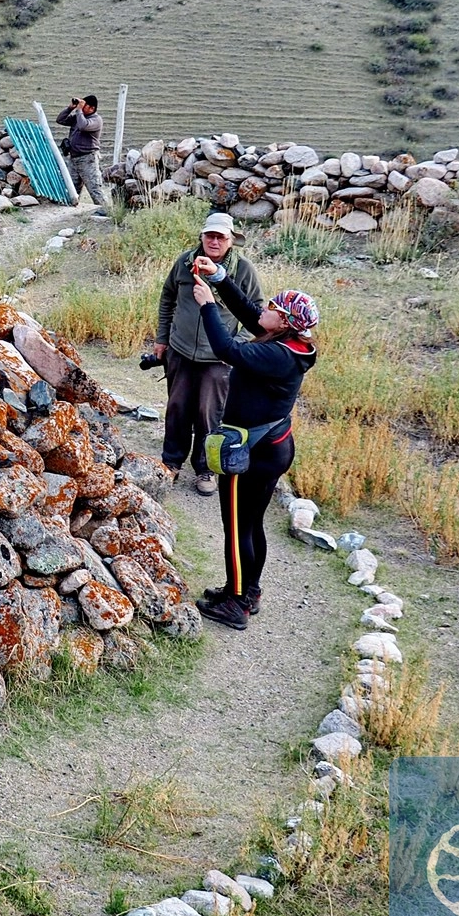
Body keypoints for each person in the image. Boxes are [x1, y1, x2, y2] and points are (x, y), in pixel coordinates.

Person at [188, 263, 319, 631]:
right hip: (272, 447)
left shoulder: (279, 356)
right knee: (251, 523)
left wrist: (207, 305)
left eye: (274, 307)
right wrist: (219, 278)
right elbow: (250, 312)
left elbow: (226, 348)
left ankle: (236, 604)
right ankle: (248, 590)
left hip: (251, 453)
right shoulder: (290, 343)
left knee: (236, 528)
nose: (266, 308)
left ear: (285, 321)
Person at [154, 212, 263, 496]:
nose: (214, 241)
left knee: (208, 414)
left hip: (218, 359)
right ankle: (171, 462)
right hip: (180, 351)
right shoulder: (184, 262)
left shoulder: (243, 270)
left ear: (231, 241)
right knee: (177, 408)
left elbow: (257, 315)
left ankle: (205, 469)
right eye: (210, 236)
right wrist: (162, 339)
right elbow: (167, 298)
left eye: (220, 237)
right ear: (202, 237)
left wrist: (235, 347)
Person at [55, 96, 108, 208]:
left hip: (88, 159)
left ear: (92, 108)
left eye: (84, 105)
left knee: (94, 188)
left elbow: (83, 126)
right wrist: (70, 108)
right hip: (73, 158)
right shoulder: (78, 117)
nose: (81, 107)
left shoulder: (96, 120)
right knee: (71, 188)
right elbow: (60, 120)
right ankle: (71, 210)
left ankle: (105, 211)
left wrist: (79, 110)